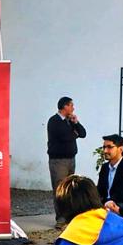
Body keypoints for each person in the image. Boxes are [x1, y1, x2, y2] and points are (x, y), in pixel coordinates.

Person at [47, 96, 87, 226]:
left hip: (71, 159)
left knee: (69, 189)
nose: (73, 108)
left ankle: (69, 215)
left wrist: (76, 123)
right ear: (65, 106)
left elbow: (82, 133)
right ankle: (61, 218)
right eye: (71, 105)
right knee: (59, 189)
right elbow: (66, 137)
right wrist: (73, 133)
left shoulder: (69, 121)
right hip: (58, 161)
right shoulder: (54, 121)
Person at [96, 134, 123, 221]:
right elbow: (100, 190)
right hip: (105, 205)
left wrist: (110, 203)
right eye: (104, 147)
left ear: (121, 149)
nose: (105, 151)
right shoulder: (105, 167)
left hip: (120, 206)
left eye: (109, 147)